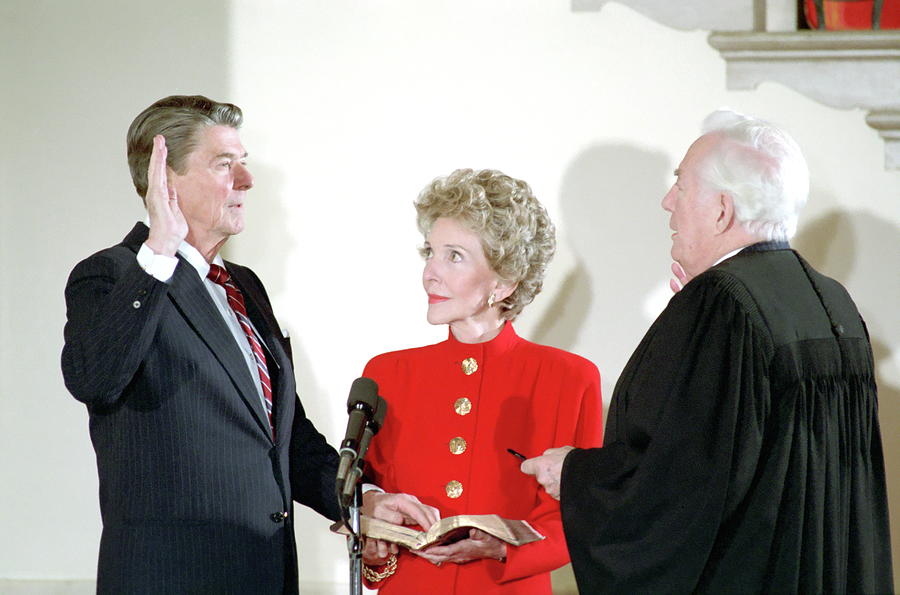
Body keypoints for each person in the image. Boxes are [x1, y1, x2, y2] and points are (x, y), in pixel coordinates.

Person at [61, 95, 434, 594]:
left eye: (243, 164)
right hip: (171, 580)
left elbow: (284, 436)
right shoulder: (114, 274)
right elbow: (94, 379)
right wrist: (159, 249)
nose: (246, 181)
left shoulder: (244, 286)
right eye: (223, 164)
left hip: (267, 575)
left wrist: (358, 498)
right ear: (165, 178)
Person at [521, 109, 894, 593]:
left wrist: (573, 475)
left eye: (681, 185)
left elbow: (683, 485)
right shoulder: (829, 300)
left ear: (721, 210)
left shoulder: (724, 304)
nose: (667, 201)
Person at [357, 169, 605, 594]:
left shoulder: (570, 379)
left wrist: (503, 546)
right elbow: (371, 501)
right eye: (430, 253)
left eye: (453, 256)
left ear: (504, 281)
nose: (429, 274)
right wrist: (375, 545)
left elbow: (582, 515)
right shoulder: (385, 374)